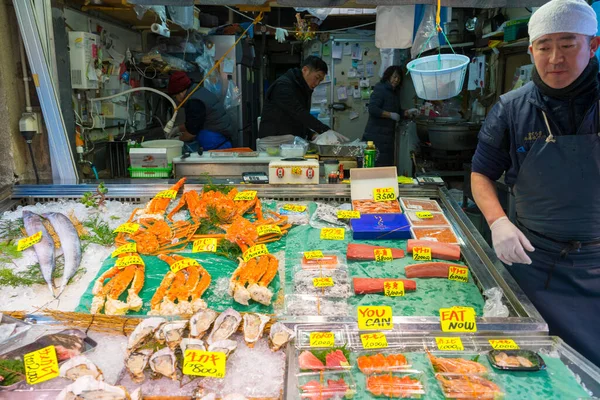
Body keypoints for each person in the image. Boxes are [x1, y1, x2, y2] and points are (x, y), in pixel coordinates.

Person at [471, 0, 600, 367]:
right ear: (531, 51)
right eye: (544, 46)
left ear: (592, 45)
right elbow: (481, 173)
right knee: (536, 366)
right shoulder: (512, 108)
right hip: (531, 260)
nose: (555, 57)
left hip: (597, 262)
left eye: (567, 44)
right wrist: (498, 222)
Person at [259, 56, 345, 143]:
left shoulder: (302, 88)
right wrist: (325, 130)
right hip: (273, 141)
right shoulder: (283, 86)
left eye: (320, 80)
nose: (317, 83)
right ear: (305, 70)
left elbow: (296, 120)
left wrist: (311, 134)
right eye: (316, 77)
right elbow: (298, 112)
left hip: (289, 140)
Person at [363, 66, 417, 166]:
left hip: (387, 136)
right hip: (376, 135)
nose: (396, 80)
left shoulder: (394, 92)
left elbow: (396, 112)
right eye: (394, 77)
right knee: (375, 164)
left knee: (385, 164)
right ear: (388, 76)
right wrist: (390, 115)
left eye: (399, 78)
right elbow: (373, 109)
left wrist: (407, 112)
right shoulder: (381, 88)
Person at [168, 71, 232, 151]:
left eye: (175, 97)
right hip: (220, 138)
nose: (176, 100)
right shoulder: (198, 91)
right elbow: (194, 122)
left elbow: (191, 133)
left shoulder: (194, 102)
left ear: (180, 93)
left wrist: (177, 140)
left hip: (216, 143)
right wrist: (177, 129)